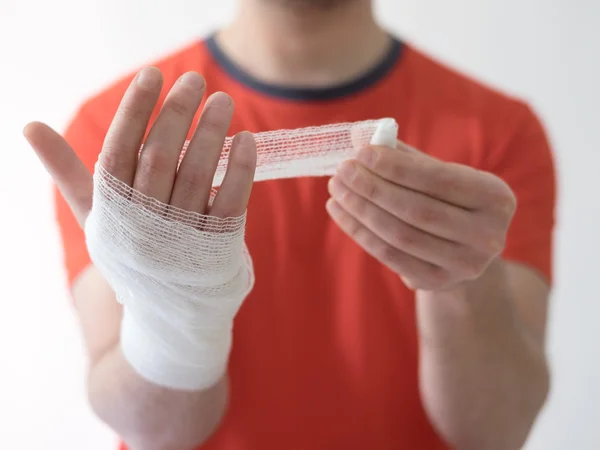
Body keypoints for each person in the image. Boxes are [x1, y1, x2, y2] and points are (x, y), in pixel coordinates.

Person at [23, 0, 556, 448]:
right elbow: (157, 430)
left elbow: (496, 431)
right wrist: (173, 321)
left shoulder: (499, 132)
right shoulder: (126, 138)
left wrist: (464, 280)